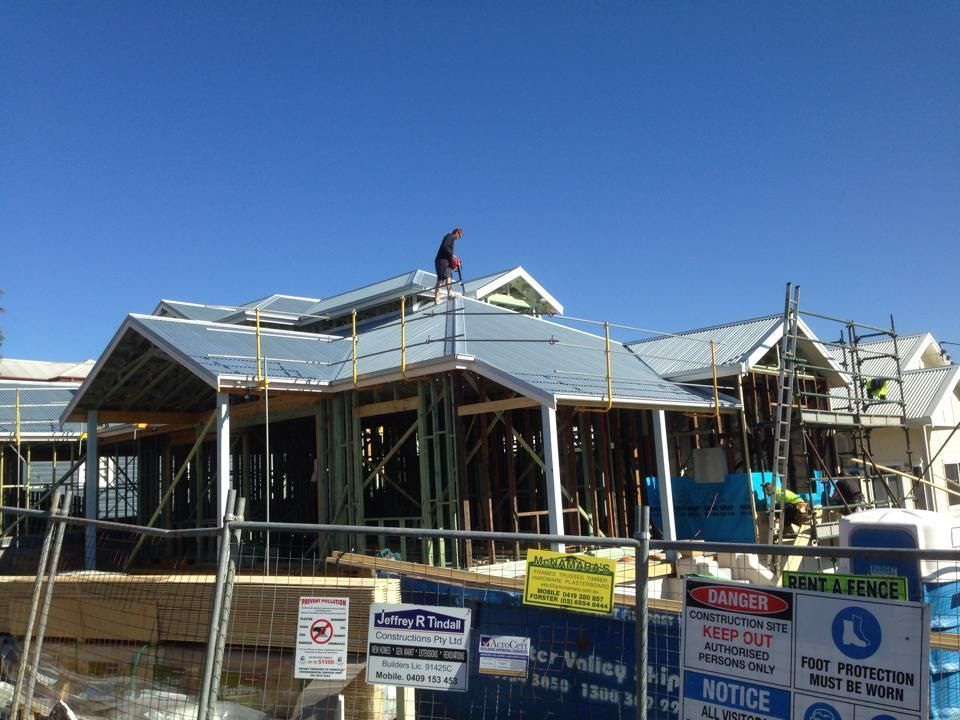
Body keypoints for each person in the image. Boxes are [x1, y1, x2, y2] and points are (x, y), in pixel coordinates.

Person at [434, 227, 463, 302]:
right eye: (459, 236)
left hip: (440, 260)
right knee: (448, 276)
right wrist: (452, 255)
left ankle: (437, 298)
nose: (458, 238)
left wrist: (454, 264)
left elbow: (446, 249)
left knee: (440, 279)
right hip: (443, 261)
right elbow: (445, 246)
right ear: (456, 232)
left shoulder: (449, 237)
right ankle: (449, 293)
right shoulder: (450, 237)